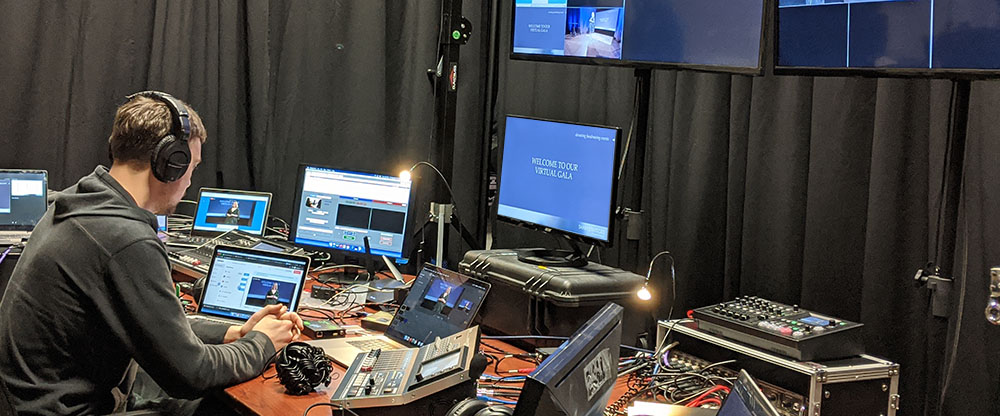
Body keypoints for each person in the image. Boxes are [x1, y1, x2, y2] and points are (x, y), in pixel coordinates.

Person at [0, 91, 303, 416]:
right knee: (231, 407)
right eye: (191, 166)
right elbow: (191, 374)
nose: (189, 180)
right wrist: (263, 343)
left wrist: (234, 333)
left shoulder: (78, 203)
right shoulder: (125, 239)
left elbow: (153, 325)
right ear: (169, 163)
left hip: (30, 404)